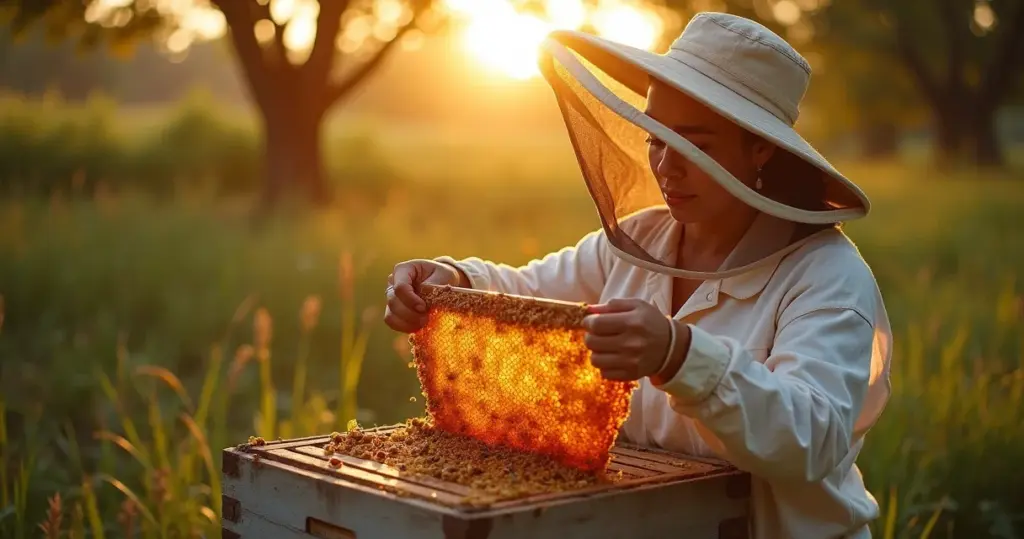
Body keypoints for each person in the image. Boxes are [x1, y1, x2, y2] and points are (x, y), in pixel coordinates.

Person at [383, 12, 892, 539]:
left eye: (696, 145)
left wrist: (679, 354)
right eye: (656, 138)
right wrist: (449, 279)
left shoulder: (827, 274)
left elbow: (811, 437)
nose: (667, 166)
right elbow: (527, 292)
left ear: (759, 147)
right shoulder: (639, 240)